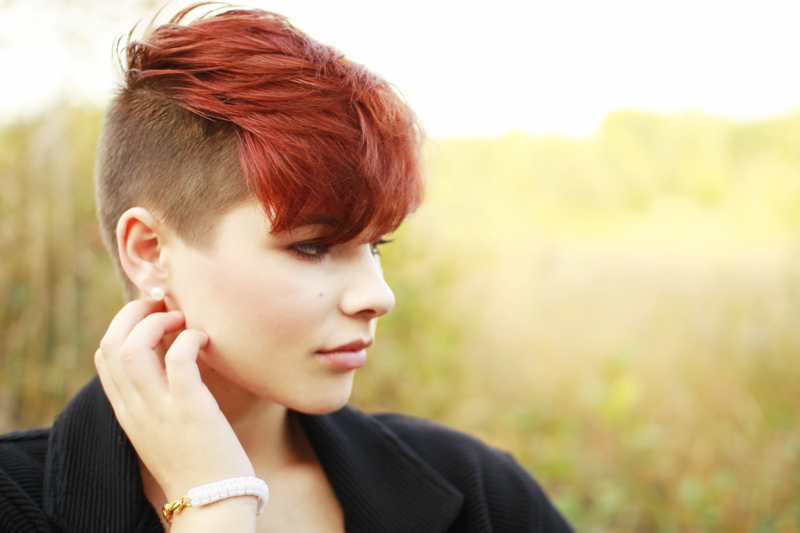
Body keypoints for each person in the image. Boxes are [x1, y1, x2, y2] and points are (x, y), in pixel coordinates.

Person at [0, 5, 573, 532]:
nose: (377, 296)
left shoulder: (477, 490)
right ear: (149, 250)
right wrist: (215, 506)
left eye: (376, 244)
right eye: (312, 246)